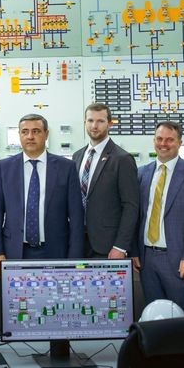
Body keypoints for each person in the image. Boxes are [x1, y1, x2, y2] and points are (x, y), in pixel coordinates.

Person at [0, 114, 85, 273]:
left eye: (36, 131)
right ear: (19, 134)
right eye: (25, 132)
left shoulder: (66, 168)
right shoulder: (4, 168)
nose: (30, 137)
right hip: (15, 251)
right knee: (16, 297)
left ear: (46, 134)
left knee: (54, 297)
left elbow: (76, 216)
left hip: (55, 251)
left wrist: (75, 256)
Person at [136, 121, 184, 315]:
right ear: (154, 141)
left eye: (170, 140)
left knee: (181, 315)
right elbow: (136, 216)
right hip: (146, 259)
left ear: (179, 143)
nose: (163, 144)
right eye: (159, 139)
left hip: (179, 260)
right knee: (154, 315)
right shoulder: (141, 173)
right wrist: (134, 251)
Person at [73, 103, 140, 259]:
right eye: (90, 121)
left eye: (100, 121)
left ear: (110, 123)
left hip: (107, 246)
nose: (94, 126)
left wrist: (121, 246)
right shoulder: (77, 156)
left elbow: (131, 206)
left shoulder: (122, 159)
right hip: (78, 242)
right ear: (85, 123)